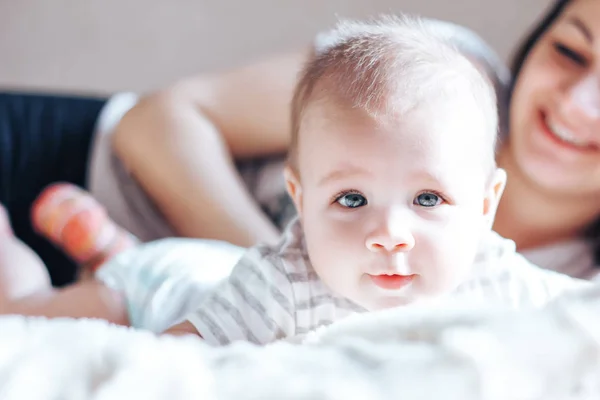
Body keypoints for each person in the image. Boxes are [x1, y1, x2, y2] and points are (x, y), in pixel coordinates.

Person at [0, 15, 588, 340]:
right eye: (351, 198)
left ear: (486, 206)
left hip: (188, 251)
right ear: (299, 201)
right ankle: (57, 260)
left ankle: (104, 245)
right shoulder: (281, 283)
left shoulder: (499, 274)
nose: (388, 233)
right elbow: (166, 366)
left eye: (428, 198)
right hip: (157, 269)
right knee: (32, 311)